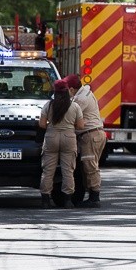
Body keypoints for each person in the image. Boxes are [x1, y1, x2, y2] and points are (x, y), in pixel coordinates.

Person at [38, 79, 85, 208]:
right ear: (66, 91)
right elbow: (81, 126)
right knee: (68, 170)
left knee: (48, 171)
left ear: (55, 92)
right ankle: (68, 200)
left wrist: (51, 125)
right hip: (69, 138)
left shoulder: (48, 105)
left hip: (51, 137)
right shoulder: (74, 106)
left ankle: (45, 200)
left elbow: (42, 124)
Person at [65, 74, 107, 208]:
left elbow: (71, 116)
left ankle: (94, 198)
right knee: (88, 166)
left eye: (67, 89)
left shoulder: (81, 100)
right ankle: (91, 195)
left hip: (90, 135)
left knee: (90, 166)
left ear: (72, 89)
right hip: (94, 134)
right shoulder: (86, 93)